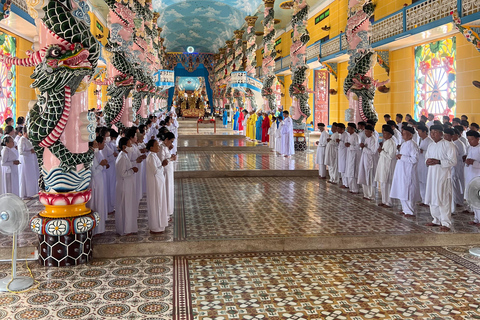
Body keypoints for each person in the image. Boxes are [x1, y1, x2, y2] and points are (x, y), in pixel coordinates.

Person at [424, 125, 457, 232]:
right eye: (431, 132)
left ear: (441, 133)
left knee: (444, 198)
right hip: (432, 175)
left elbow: (453, 161)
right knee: (432, 197)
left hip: (443, 176)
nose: (432, 134)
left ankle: (446, 222)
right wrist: (428, 162)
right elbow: (426, 158)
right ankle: (436, 219)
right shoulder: (430, 145)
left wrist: (438, 161)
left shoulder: (448, 145)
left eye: (435, 132)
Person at [390, 126, 420, 217]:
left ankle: (410, 211)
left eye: (404, 133)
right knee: (402, 190)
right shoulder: (404, 143)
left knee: (408, 190)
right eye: (402, 132)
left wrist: (402, 157)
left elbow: (415, 159)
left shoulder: (412, 144)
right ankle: (405, 209)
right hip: (402, 170)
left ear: (410, 135)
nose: (402, 134)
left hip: (408, 171)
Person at [115, 137, 139, 236]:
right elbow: (123, 173)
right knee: (125, 207)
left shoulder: (125, 156)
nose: (131, 146)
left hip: (128, 185)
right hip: (124, 186)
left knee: (128, 207)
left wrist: (134, 164)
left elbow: (127, 167)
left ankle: (129, 228)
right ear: (124, 146)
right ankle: (125, 229)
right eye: (129, 144)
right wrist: (133, 170)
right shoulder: (121, 157)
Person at [145, 139, 169, 234]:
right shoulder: (151, 157)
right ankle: (155, 226)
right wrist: (162, 165)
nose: (159, 147)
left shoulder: (154, 156)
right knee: (156, 203)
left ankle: (160, 225)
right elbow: (155, 171)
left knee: (160, 202)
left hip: (158, 183)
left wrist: (162, 165)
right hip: (155, 184)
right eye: (157, 145)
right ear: (151, 147)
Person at [88, 136, 109, 235]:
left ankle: (100, 228)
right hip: (94, 184)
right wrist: (101, 164)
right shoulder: (90, 156)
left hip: (99, 182)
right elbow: (93, 172)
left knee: (99, 204)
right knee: (95, 205)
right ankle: (95, 229)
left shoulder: (94, 154)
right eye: (95, 144)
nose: (97, 146)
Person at [375, 125, 397, 208]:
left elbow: (391, 156)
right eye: (383, 133)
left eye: (385, 133)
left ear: (390, 135)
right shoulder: (386, 142)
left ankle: (389, 202)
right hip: (383, 165)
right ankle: (384, 200)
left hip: (388, 166)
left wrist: (381, 152)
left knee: (388, 184)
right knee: (383, 184)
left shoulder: (392, 143)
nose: (384, 135)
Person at [446, 128, 466, 210]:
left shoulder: (458, 144)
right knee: (454, 186)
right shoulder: (453, 143)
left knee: (455, 186)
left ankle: (456, 203)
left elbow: (460, 157)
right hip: (453, 167)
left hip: (456, 167)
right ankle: (456, 202)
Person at [358, 125, 379, 200]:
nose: (366, 133)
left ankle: (371, 195)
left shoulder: (374, 140)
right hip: (365, 160)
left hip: (370, 162)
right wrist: (362, 147)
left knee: (370, 178)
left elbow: (373, 152)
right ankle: (366, 194)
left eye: (367, 131)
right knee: (364, 176)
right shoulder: (367, 139)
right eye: (365, 131)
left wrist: (364, 148)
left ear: (371, 132)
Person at [158, 132, 176, 217]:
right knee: (166, 190)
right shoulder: (161, 147)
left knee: (169, 190)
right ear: (166, 140)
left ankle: (168, 211)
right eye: (171, 141)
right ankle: (166, 213)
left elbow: (167, 157)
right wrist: (171, 159)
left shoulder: (165, 147)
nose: (171, 143)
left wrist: (170, 154)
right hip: (165, 173)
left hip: (168, 172)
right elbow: (162, 161)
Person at [465, 131, 480, 225]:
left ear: (478, 139)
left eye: (472, 139)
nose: (470, 141)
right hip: (470, 175)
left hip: (478, 176)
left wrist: (473, 162)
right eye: (468, 140)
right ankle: (476, 218)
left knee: (478, 198)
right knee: (472, 197)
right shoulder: (470, 148)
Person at [18, 130, 39, 198]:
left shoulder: (27, 139)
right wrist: (30, 152)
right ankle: (26, 194)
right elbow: (20, 152)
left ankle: (32, 192)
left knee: (31, 177)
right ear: (24, 133)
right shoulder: (22, 140)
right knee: (26, 177)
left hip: (30, 161)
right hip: (25, 161)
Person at [417, 125, 433, 206]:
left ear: (424, 132)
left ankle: (428, 201)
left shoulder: (429, 141)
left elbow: (431, 153)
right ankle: (423, 200)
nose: (418, 133)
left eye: (419, 131)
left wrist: (423, 151)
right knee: (421, 182)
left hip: (426, 165)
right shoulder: (421, 140)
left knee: (426, 182)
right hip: (420, 164)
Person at [344, 123, 360, 193]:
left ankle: (355, 189)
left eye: (349, 128)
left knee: (353, 172)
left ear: (353, 129)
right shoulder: (349, 136)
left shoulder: (356, 136)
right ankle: (351, 188)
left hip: (354, 156)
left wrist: (349, 146)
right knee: (349, 171)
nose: (348, 129)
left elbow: (357, 147)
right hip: (349, 155)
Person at [337, 123, 348, 188]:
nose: (337, 130)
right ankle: (344, 182)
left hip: (344, 153)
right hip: (341, 153)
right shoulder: (341, 135)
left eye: (338, 128)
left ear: (342, 129)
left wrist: (340, 141)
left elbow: (346, 144)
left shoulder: (346, 135)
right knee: (341, 167)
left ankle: (346, 183)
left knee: (344, 168)